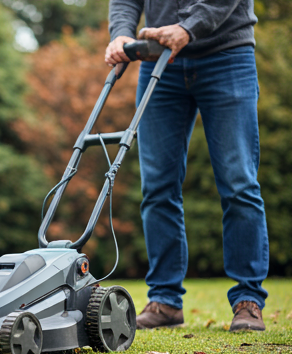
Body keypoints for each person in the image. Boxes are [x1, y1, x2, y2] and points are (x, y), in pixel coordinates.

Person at [105, 0, 269, 332]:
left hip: (226, 55)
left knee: (239, 183)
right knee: (157, 187)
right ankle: (164, 301)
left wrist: (188, 28)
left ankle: (248, 299)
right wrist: (121, 35)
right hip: (158, 62)